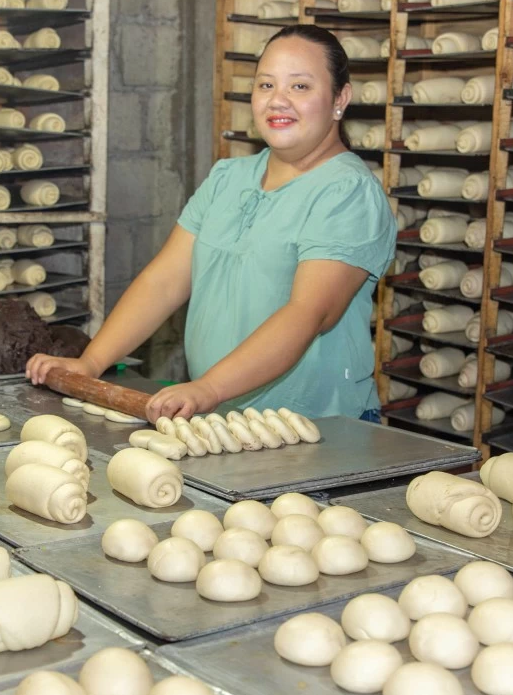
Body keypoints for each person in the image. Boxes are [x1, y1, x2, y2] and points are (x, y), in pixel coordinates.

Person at [27, 24, 396, 422]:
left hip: (320, 426)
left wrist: (210, 388)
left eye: (300, 87)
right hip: (222, 420)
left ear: (340, 99)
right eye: (266, 85)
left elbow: (308, 313)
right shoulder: (228, 178)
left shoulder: (347, 193)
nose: (278, 100)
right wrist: (91, 362)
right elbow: (163, 282)